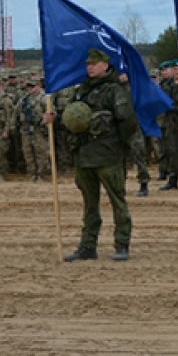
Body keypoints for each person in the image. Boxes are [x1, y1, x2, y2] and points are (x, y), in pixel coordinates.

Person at [51, 48, 140, 262]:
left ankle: (121, 245)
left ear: (105, 65)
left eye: (94, 63)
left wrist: (113, 143)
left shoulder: (114, 90)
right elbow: (74, 119)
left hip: (108, 156)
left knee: (117, 202)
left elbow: (128, 122)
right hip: (84, 156)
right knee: (89, 204)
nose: (89, 66)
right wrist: (56, 120)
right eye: (88, 63)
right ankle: (88, 246)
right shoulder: (82, 90)